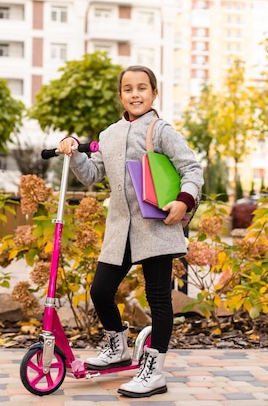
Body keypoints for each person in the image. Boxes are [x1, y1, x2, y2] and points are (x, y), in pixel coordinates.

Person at [57, 65, 203, 398]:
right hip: (120, 229)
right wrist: (76, 150)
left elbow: (190, 169)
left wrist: (184, 201)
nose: (135, 94)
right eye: (128, 89)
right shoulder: (108, 135)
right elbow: (93, 174)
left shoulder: (161, 130)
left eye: (142, 88)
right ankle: (117, 346)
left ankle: (154, 371)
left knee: (158, 300)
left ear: (154, 93)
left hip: (156, 227)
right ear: (120, 94)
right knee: (100, 291)